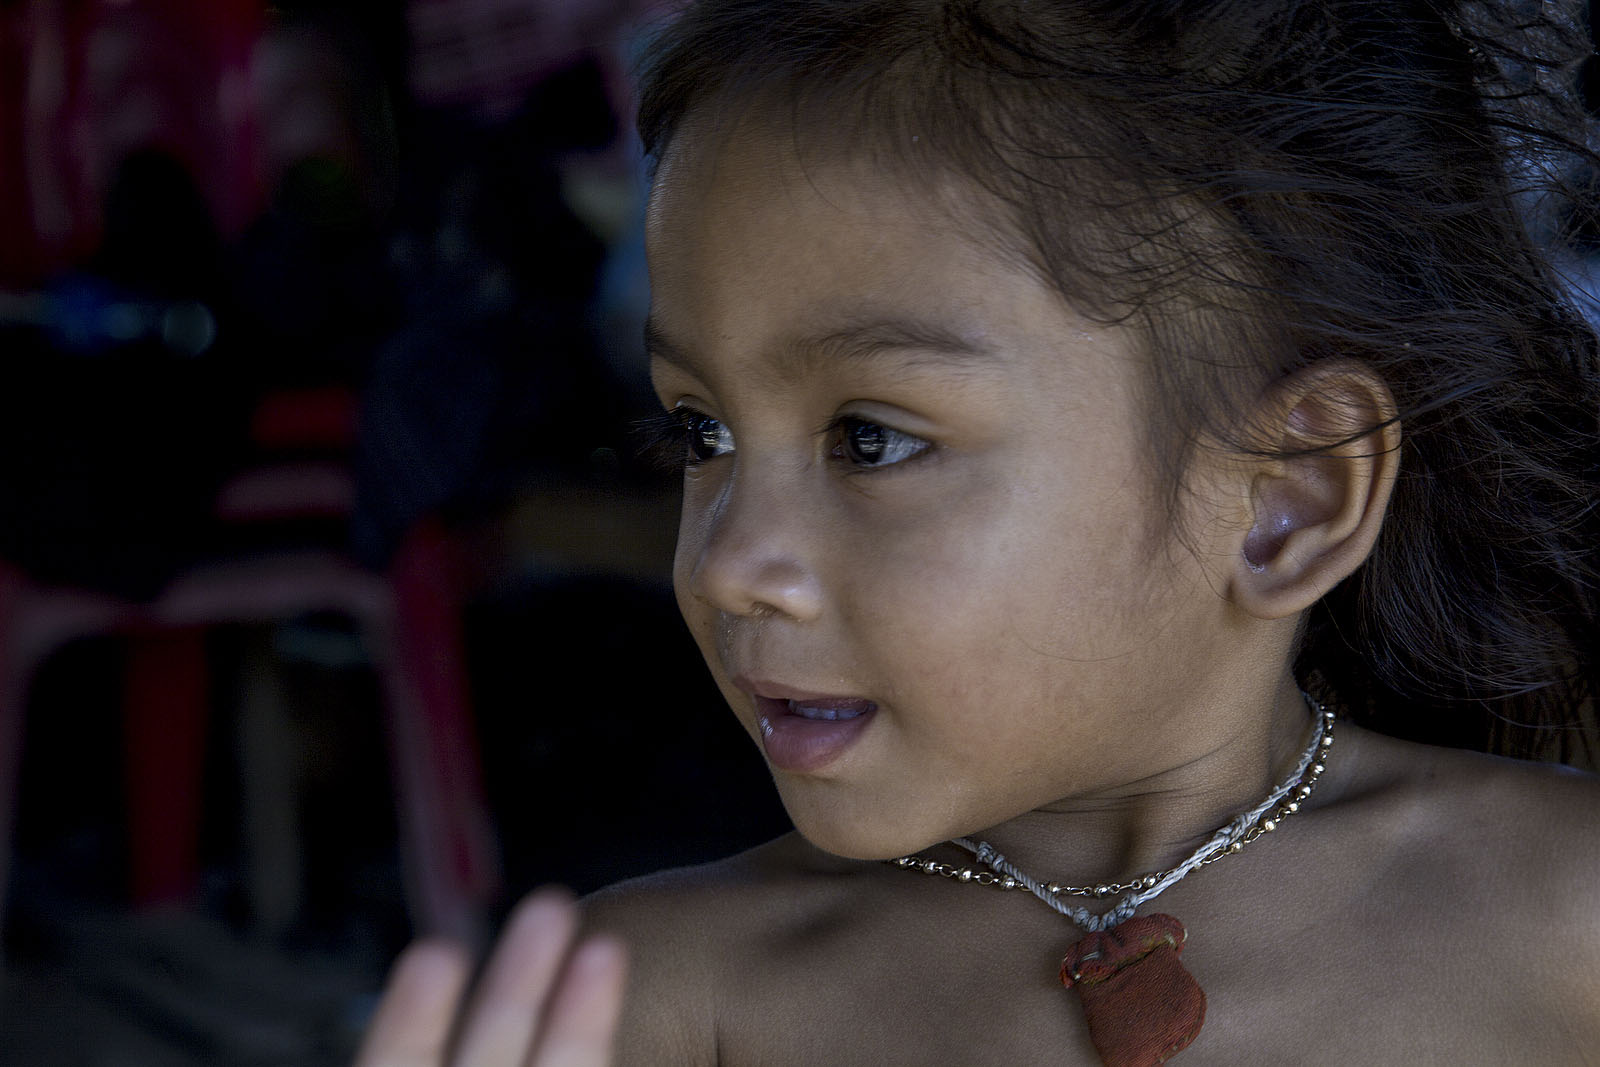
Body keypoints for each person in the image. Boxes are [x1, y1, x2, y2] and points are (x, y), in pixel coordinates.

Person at [355, 1, 1600, 1062]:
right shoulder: (648, 1003)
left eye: (870, 439)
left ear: (1292, 496)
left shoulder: (1562, 909)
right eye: (702, 430)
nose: (729, 563)